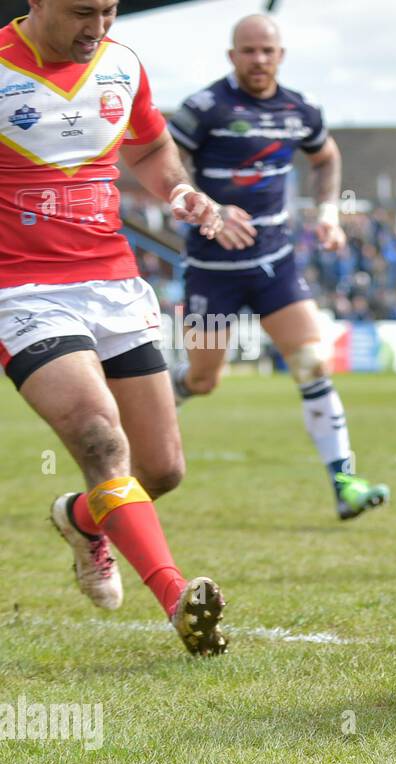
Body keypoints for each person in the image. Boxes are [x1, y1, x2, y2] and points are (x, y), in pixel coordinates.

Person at [0, 0, 228, 654]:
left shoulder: (122, 65)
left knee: (160, 470)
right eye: (80, 12)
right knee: (101, 437)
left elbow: (152, 146)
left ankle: (79, 517)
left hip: (114, 285)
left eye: (107, 10)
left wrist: (186, 196)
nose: (96, 27)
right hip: (23, 290)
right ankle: (177, 597)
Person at [166, 14, 389, 520]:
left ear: (281, 55)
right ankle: (149, 412)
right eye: (248, 51)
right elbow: (164, 164)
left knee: (312, 363)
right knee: (204, 380)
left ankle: (344, 483)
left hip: (274, 264)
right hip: (211, 268)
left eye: (267, 50)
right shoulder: (204, 108)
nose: (258, 59)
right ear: (232, 56)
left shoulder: (299, 110)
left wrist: (328, 214)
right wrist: (207, 206)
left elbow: (326, 157)